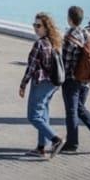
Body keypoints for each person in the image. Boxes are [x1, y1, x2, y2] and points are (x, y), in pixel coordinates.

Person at [61, 6, 90, 153]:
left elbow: (65, 63)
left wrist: (59, 79)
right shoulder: (89, 33)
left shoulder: (69, 37)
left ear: (69, 19)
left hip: (72, 79)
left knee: (72, 111)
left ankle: (72, 143)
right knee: (80, 108)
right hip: (87, 79)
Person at [19, 12, 64, 159]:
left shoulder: (39, 44)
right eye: (34, 25)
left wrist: (23, 84)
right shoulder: (54, 42)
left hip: (41, 83)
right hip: (53, 83)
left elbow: (31, 67)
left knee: (33, 116)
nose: (35, 28)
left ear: (46, 27)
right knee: (43, 114)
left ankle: (56, 140)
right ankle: (40, 148)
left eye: (39, 25)